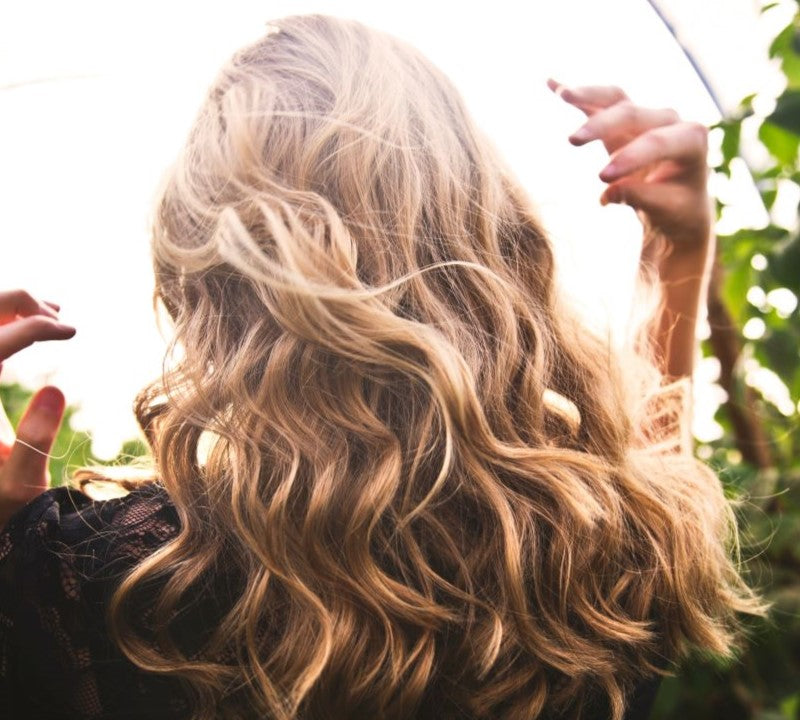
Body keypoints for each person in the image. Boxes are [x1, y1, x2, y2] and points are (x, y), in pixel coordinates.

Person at [0, 14, 761, 720]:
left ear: (208, 276)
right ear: (484, 230)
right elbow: (650, 471)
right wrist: (679, 249)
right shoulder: (608, 546)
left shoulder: (125, 582)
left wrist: (16, 555)